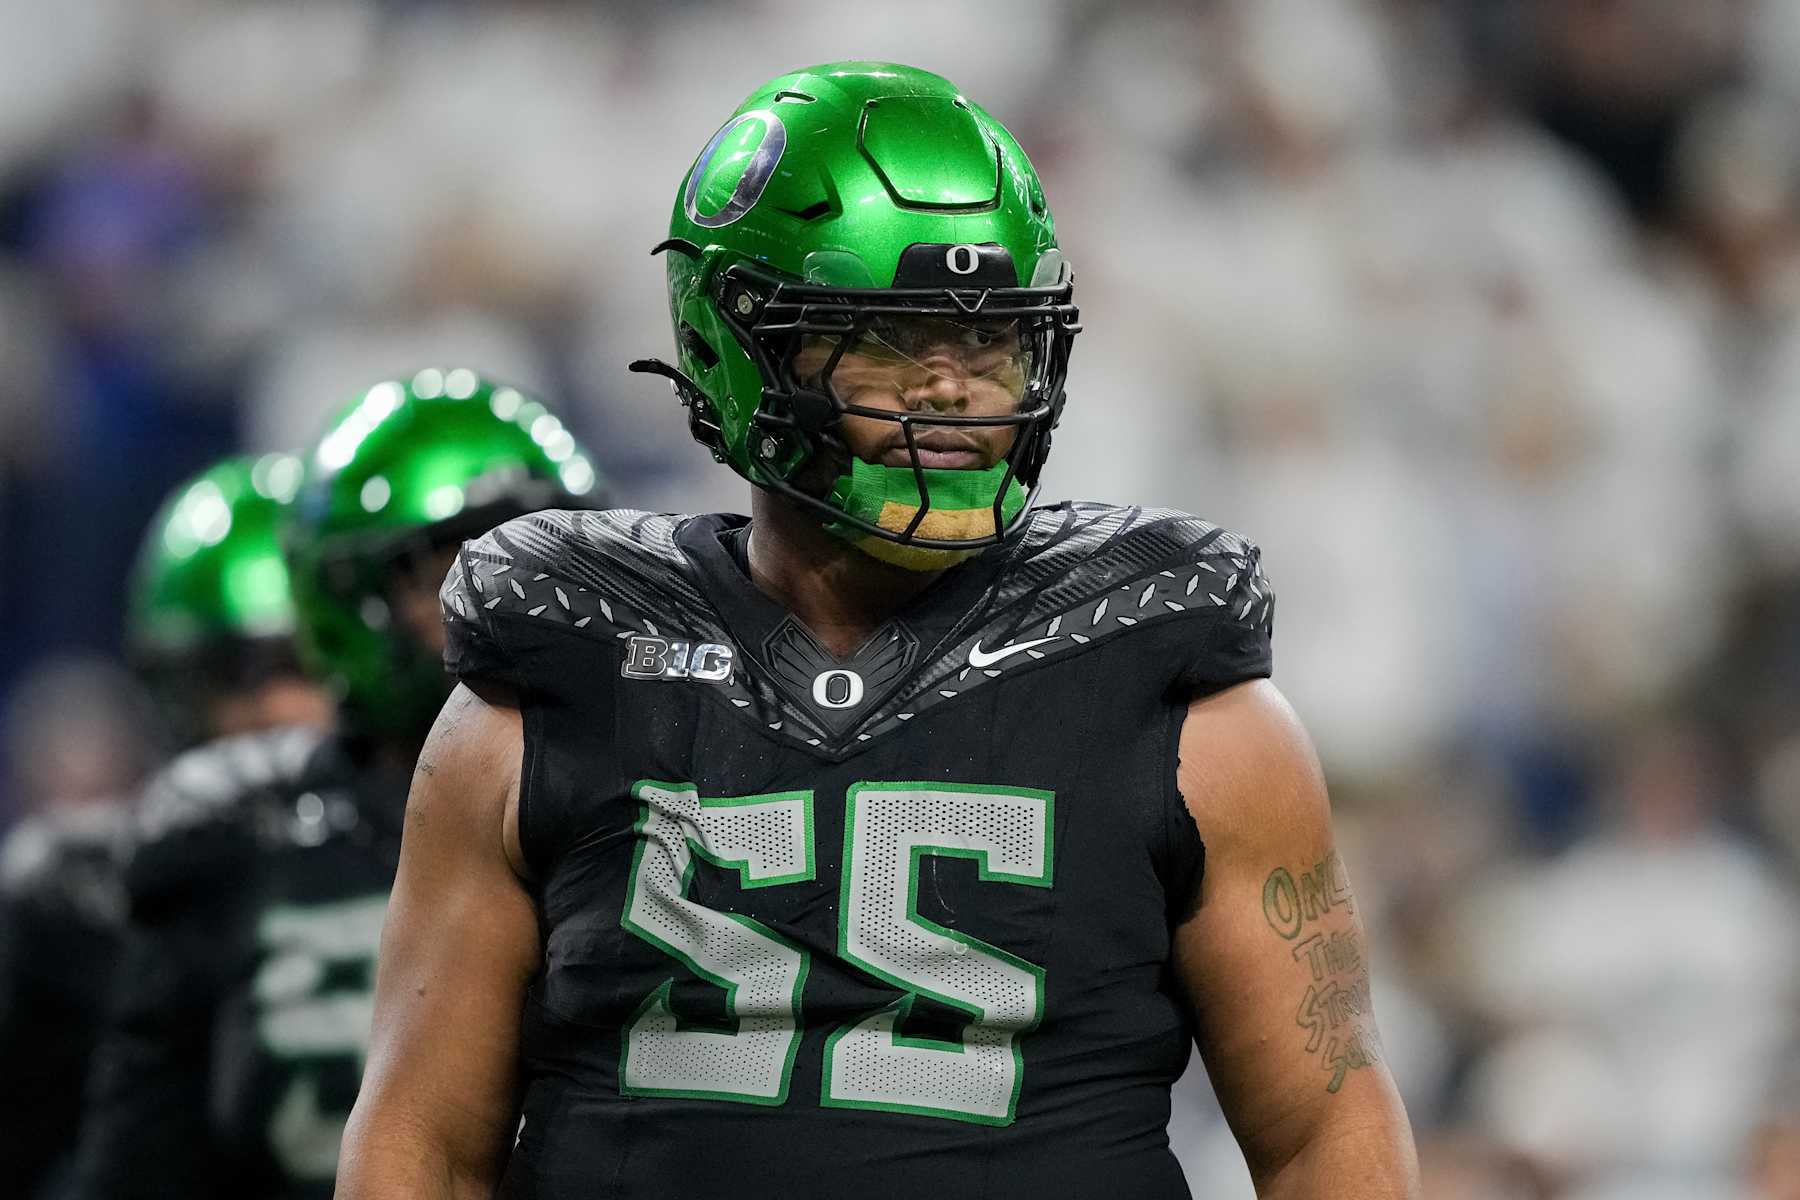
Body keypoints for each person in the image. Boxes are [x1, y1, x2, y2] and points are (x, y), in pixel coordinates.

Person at [339, 63, 1420, 1199]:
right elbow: (427, 1148)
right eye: (895, 339)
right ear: (746, 345)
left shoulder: (1189, 707)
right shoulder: (546, 691)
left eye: (995, 339)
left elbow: (1323, 1139)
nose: (954, 388)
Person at [70, 372, 603, 1199]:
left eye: (546, 554)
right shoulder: (239, 830)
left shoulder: (656, 784)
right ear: (350, 601)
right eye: (454, 568)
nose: (517, 601)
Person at [0, 453, 330, 1199]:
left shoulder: (458, 862)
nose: (278, 709)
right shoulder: (79, 896)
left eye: (303, 664)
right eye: (238, 672)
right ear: (176, 685)